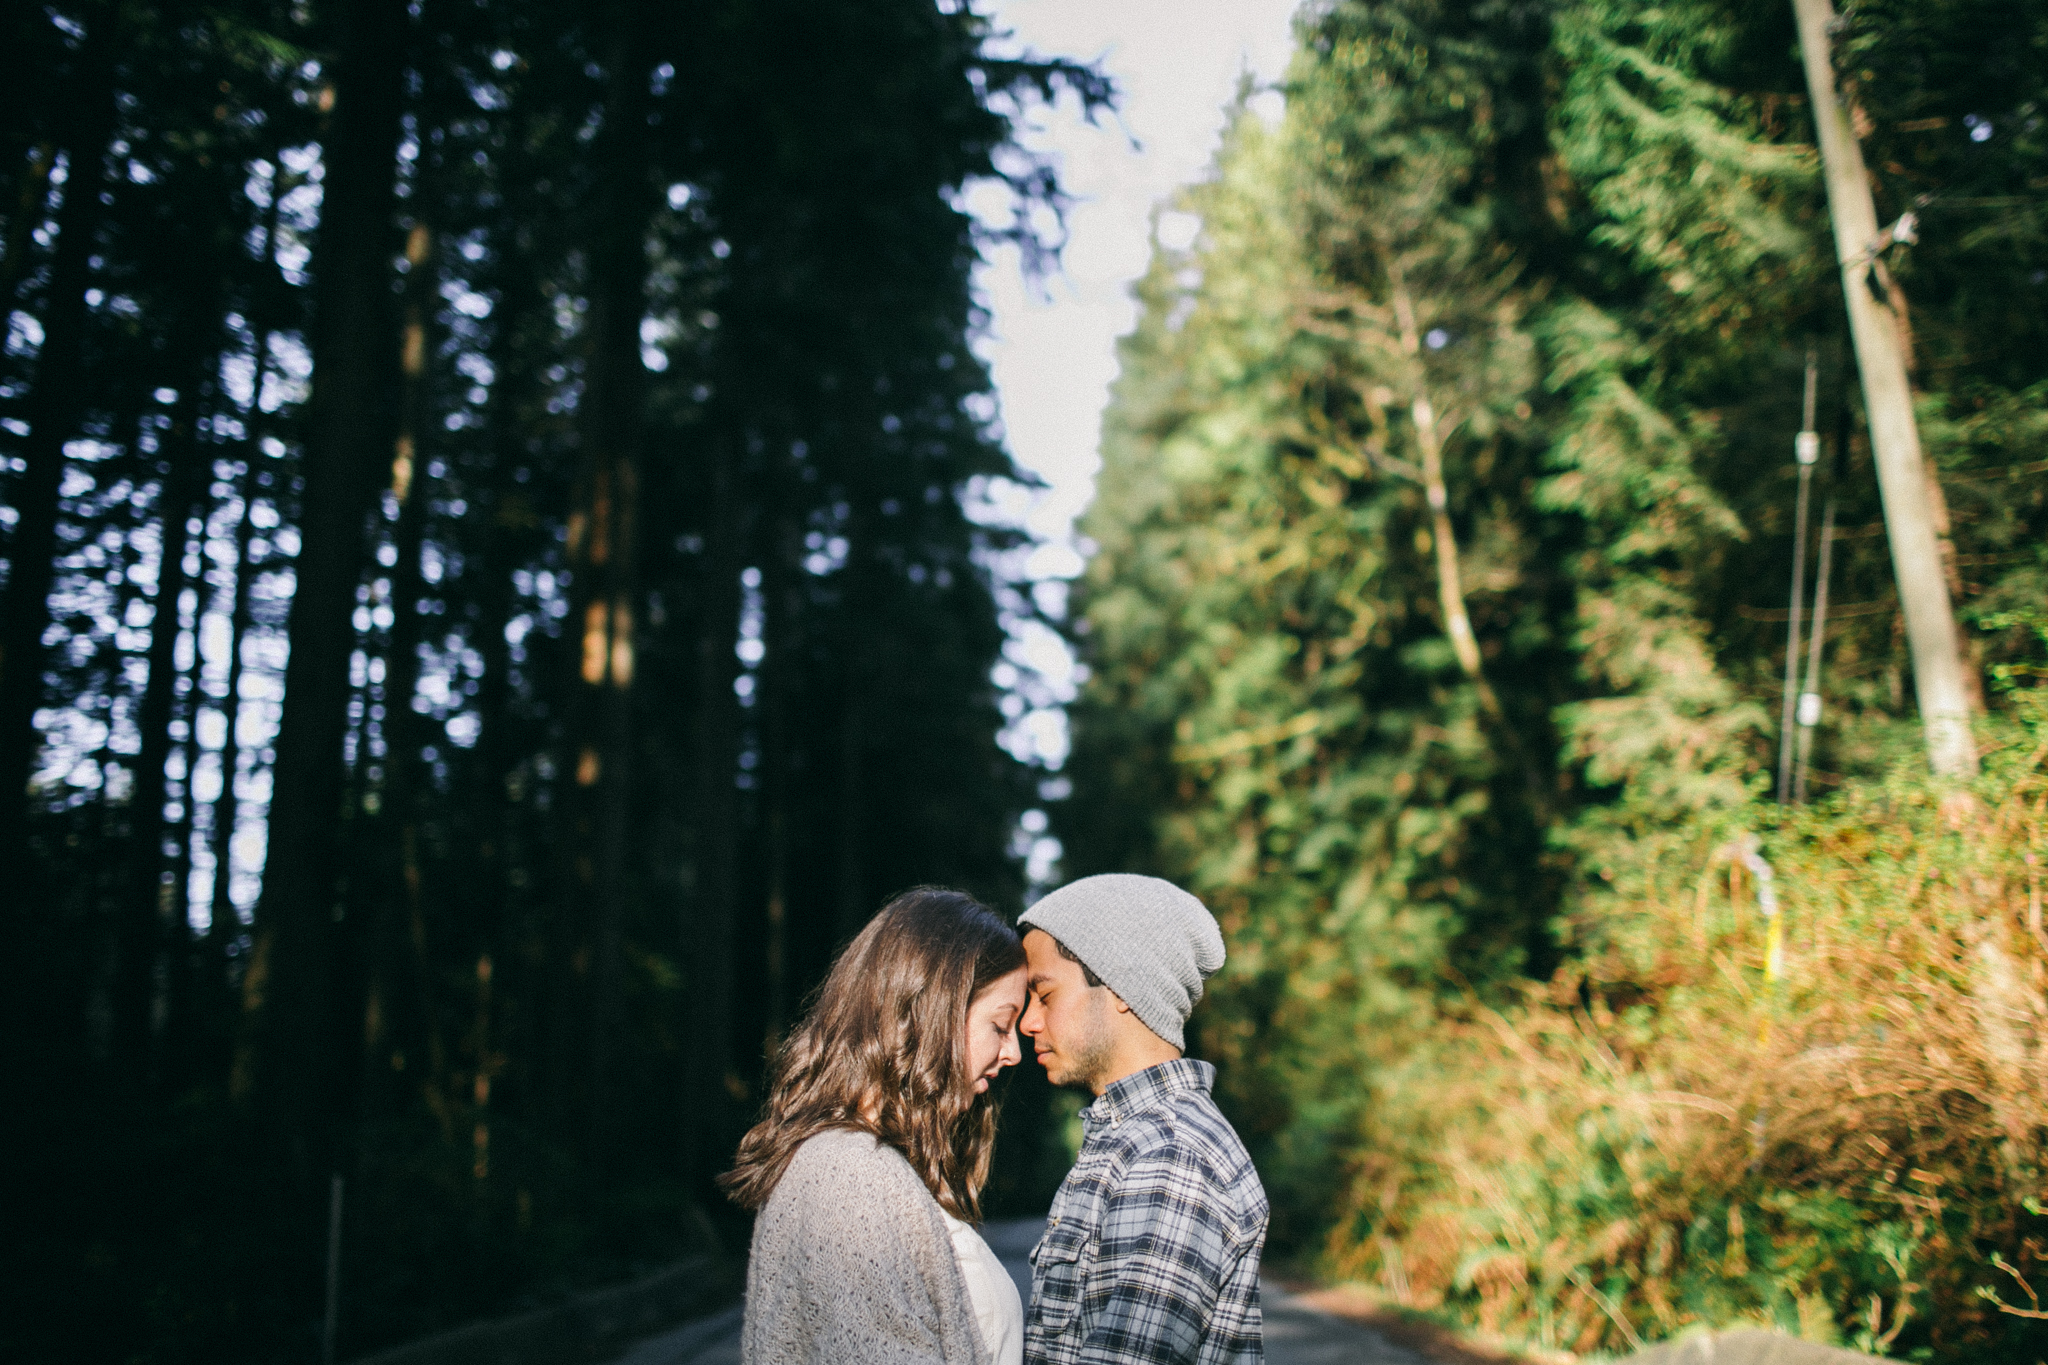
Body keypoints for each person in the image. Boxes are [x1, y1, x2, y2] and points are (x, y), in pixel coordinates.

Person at [723, 887, 1030, 1365]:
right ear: (934, 1011)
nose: (1013, 1053)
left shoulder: (859, 1164)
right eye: (1000, 1024)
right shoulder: (850, 1177)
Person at [1017, 873, 1267, 1365]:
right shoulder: (1134, 1141)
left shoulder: (1170, 1155)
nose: (1027, 1021)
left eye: (1044, 995)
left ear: (1121, 984)